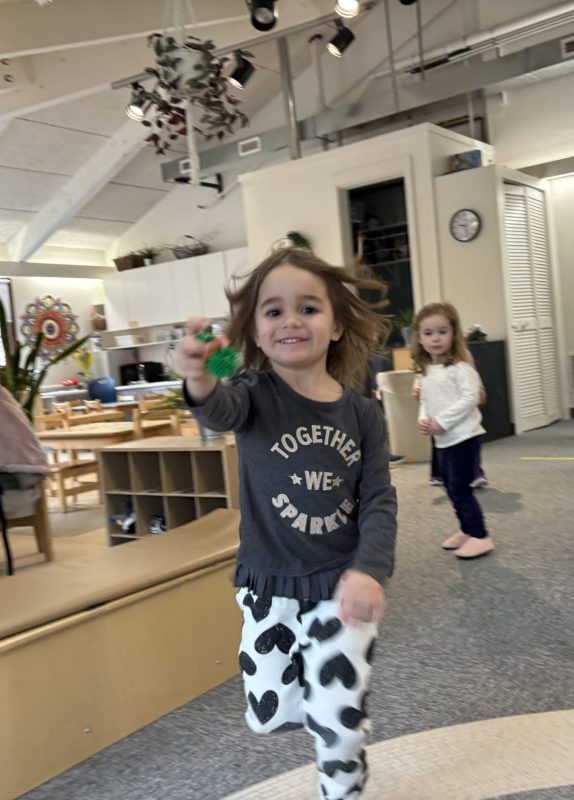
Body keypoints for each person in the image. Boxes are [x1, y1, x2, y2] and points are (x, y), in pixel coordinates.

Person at [177, 247, 397, 800]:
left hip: (339, 587)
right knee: (268, 714)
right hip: (267, 584)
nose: (291, 320)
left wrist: (369, 571)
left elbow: (378, 498)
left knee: (337, 721)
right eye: (273, 311)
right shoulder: (251, 394)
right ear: (256, 330)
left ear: (337, 326)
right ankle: (319, 707)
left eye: (309, 308)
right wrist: (201, 373)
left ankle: (341, 767)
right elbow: (217, 406)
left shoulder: (364, 414)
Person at [411, 301, 494, 559]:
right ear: (420, 338)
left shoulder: (461, 368)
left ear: (454, 334)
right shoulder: (425, 371)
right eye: (428, 333)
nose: (435, 338)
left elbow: (471, 397)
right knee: (448, 485)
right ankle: (467, 529)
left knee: (460, 488)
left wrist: (443, 422)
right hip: (443, 440)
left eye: (442, 331)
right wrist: (424, 419)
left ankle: (480, 536)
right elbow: (426, 401)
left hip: (464, 437)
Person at [413, 374, 488, 488]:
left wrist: (478, 391)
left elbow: (477, 397)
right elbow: (423, 399)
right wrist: (423, 418)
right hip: (440, 423)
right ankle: (440, 473)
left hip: (465, 424)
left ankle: (475, 473)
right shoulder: (425, 373)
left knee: (469, 446)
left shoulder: (464, 369)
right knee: (447, 458)